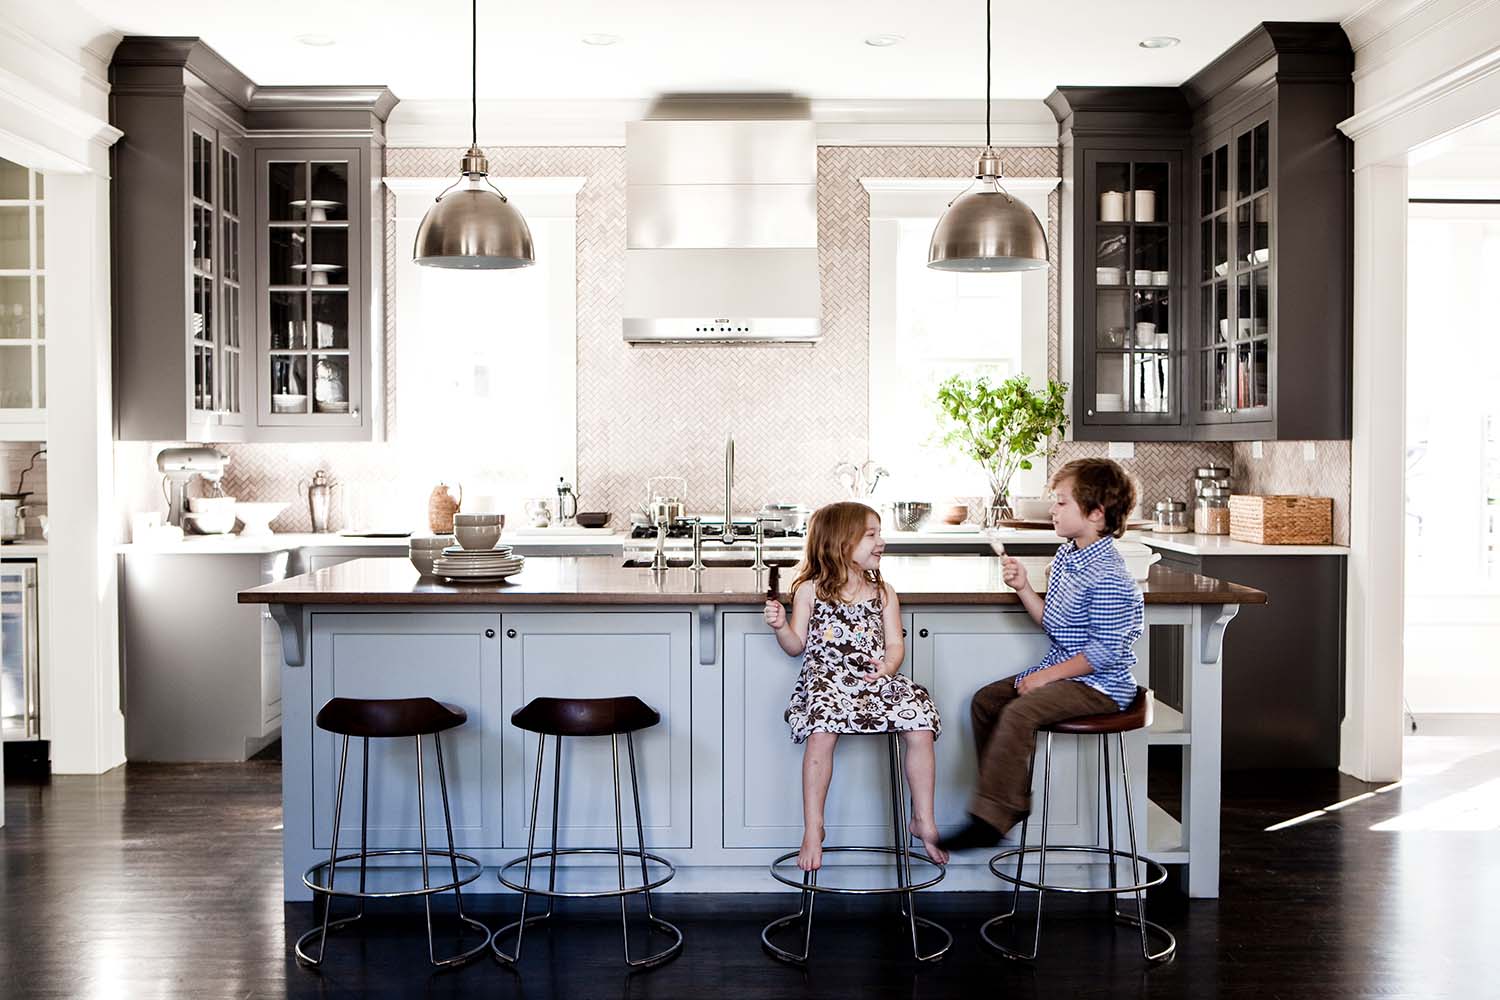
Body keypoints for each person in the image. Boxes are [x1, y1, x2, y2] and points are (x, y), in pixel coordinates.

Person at [940, 459, 1144, 851]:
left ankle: (989, 819)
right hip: (1068, 673)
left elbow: (1103, 653)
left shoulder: (1110, 575)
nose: (1052, 509)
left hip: (1100, 685)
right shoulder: (1069, 557)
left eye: (1062, 503)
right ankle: (1008, 802)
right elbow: (1054, 623)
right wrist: (1023, 587)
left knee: (1019, 710)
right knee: (986, 702)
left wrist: (1045, 678)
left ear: (1096, 514)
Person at [764, 501, 948, 870]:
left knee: (920, 721)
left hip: (873, 679)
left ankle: (923, 818)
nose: (881, 542)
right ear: (840, 543)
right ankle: (813, 827)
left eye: (879, 534)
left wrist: (888, 667)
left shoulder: (883, 593)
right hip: (827, 682)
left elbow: (895, 644)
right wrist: (781, 626)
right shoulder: (810, 591)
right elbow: (795, 647)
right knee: (821, 731)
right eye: (871, 535)